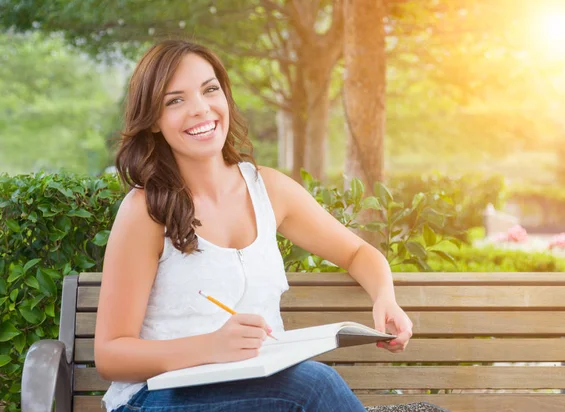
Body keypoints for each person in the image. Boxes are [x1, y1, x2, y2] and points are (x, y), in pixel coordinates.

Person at [95, 39, 413, 412]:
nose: (201, 109)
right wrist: (209, 347)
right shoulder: (146, 210)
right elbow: (110, 354)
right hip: (157, 398)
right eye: (175, 100)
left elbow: (357, 251)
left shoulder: (269, 190)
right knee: (313, 385)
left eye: (210, 90)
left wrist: (385, 297)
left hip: (260, 391)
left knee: (304, 386)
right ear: (153, 120)